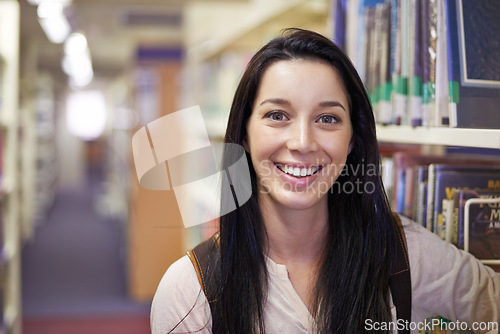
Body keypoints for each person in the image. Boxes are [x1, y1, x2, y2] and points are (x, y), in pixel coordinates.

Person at [150, 28, 500, 333]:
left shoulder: (402, 253)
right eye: (277, 115)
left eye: (328, 118)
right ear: (244, 136)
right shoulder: (190, 293)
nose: (302, 142)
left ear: (352, 140)